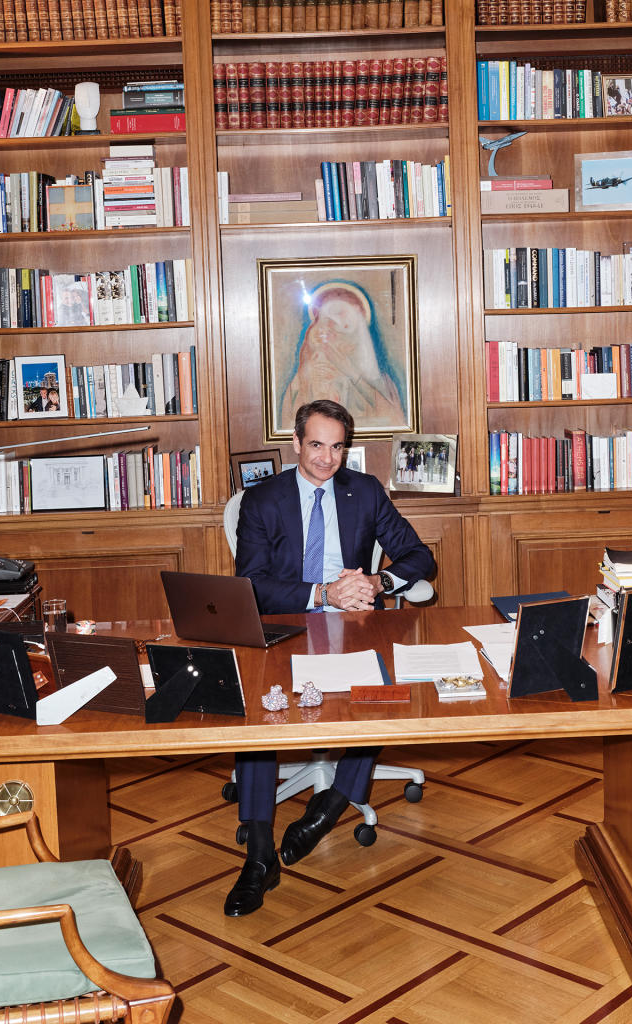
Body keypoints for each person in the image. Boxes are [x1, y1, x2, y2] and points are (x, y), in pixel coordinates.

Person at [226, 397, 435, 917]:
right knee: (260, 718)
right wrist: (322, 593)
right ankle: (258, 858)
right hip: (288, 621)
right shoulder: (263, 500)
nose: (326, 458)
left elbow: (418, 556)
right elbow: (250, 584)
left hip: (355, 620)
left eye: (337, 447)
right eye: (316, 445)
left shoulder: (364, 491)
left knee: (383, 697)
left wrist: (377, 580)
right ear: (295, 443)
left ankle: (332, 803)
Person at [279, 284, 406, 430]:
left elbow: (394, 418)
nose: (333, 329)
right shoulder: (310, 372)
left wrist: (349, 370)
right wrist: (308, 376)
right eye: (326, 320)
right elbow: (291, 422)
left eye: (340, 317)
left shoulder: (379, 378)